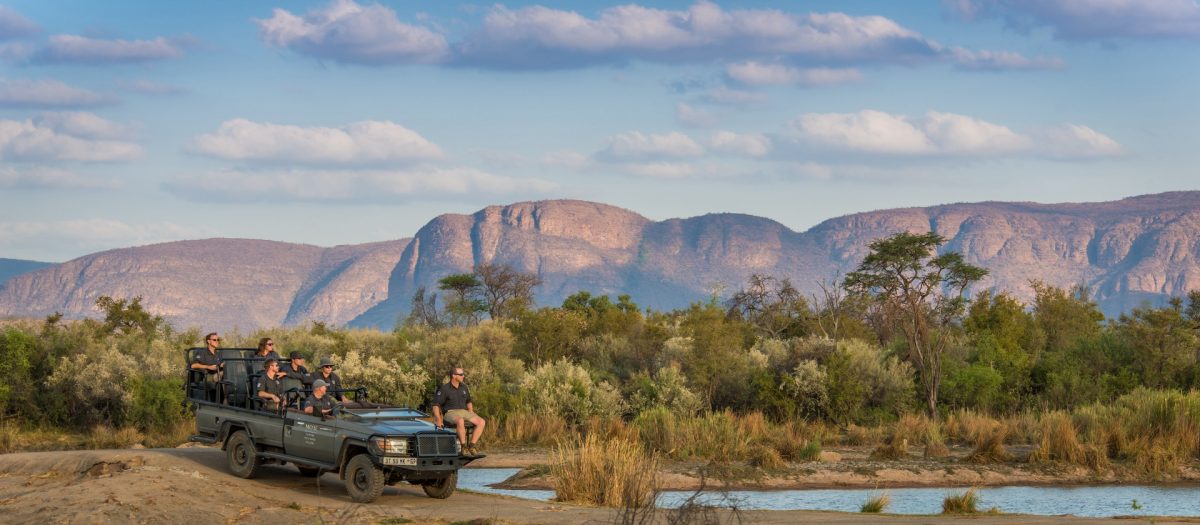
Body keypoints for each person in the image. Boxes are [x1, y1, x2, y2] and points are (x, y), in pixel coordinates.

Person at [431, 366, 486, 456]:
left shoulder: (464, 387)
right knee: (460, 420)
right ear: (454, 376)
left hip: (464, 411)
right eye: (461, 374)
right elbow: (436, 405)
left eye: (463, 374)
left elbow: (468, 401)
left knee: (481, 422)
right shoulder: (444, 389)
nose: (463, 376)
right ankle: (463, 447)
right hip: (450, 413)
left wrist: (471, 411)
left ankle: (471, 447)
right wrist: (438, 419)